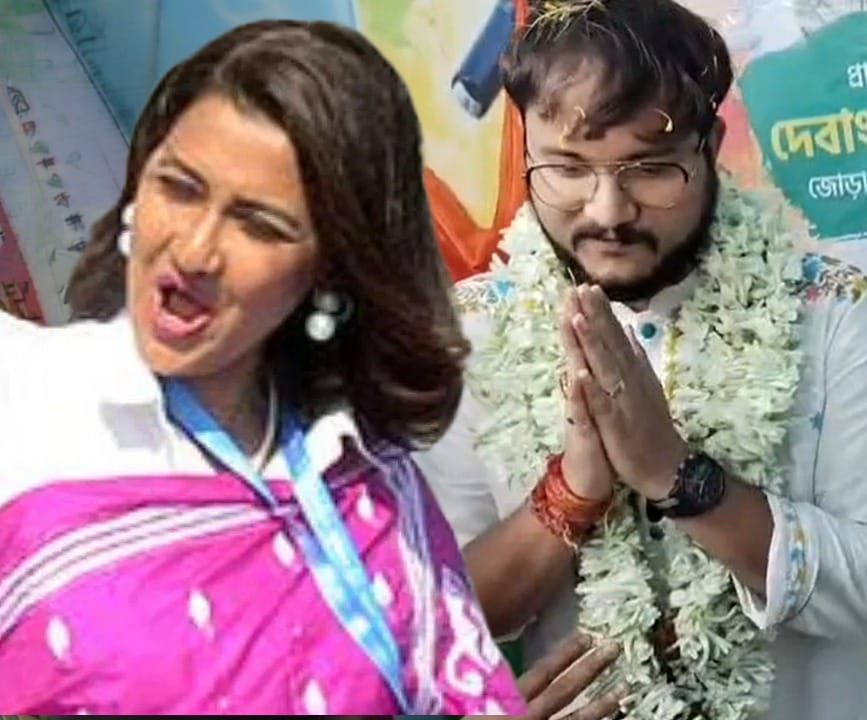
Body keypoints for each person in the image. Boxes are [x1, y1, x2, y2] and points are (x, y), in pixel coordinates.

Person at [0, 20, 532, 716]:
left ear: (330, 268)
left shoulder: (366, 473)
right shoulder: (24, 395)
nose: (194, 251)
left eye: (258, 224)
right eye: (178, 187)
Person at [415, 1, 867, 718]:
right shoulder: (475, 326)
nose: (607, 212)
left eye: (650, 169)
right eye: (565, 168)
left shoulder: (828, 310)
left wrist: (676, 475)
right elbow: (447, 614)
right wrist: (573, 489)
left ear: (709, 144)